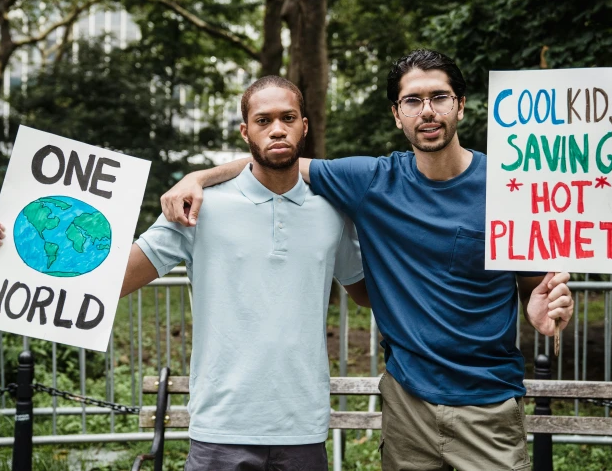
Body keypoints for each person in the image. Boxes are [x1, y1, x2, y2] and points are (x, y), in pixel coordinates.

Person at [160, 49, 575, 471]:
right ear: (397, 114)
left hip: (488, 405)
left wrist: (538, 305)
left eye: (440, 97)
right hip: (407, 405)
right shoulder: (371, 181)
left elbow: (531, 284)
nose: (427, 111)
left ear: (461, 105)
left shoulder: (509, 186)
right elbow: (277, 158)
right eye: (413, 100)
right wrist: (199, 177)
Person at [0, 76, 369, 471]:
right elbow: (112, 279)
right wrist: (8, 249)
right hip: (219, 428)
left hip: (303, 426)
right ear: (245, 131)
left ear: (304, 125)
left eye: (288, 117)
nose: (278, 129)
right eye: (264, 120)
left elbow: (368, 293)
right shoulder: (198, 206)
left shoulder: (332, 211)